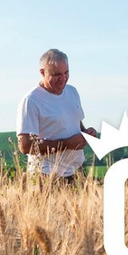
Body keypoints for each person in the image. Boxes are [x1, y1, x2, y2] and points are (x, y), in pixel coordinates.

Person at [16, 49, 97, 179]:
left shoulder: (72, 92)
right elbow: (25, 146)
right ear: (42, 72)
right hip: (45, 175)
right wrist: (66, 144)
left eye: (66, 73)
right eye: (56, 74)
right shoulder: (31, 101)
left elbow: (75, 122)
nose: (63, 79)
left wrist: (86, 133)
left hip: (76, 172)